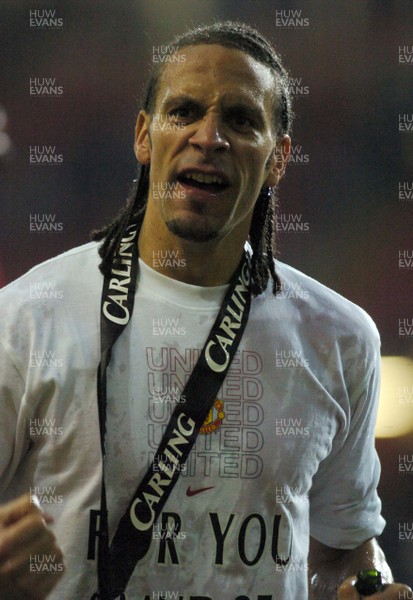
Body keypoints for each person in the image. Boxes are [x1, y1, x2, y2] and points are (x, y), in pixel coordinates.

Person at [0, 21, 410, 600]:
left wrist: (370, 586)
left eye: (241, 120)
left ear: (279, 159)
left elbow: (347, 550)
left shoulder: (339, 338)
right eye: (184, 111)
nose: (208, 136)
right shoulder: (25, 320)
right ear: (144, 136)